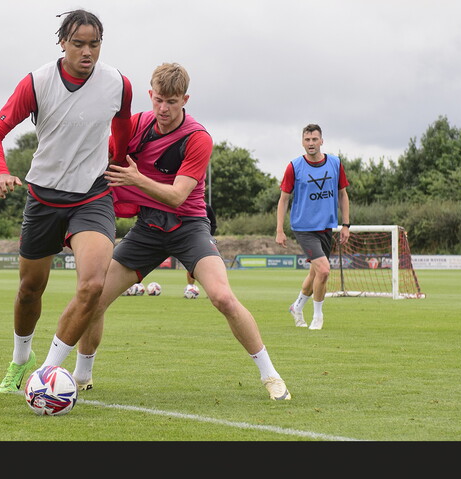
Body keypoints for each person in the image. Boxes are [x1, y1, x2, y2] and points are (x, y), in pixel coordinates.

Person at [40, 62, 291, 401]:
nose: (164, 108)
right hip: (148, 228)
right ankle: (81, 375)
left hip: (189, 227)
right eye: (158, 100)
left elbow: (176, 195)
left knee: (222, 297)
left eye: (172, 102)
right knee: (94, 298)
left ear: (185, 99)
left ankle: (270, 375)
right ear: (150, 95)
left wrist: (136, 179)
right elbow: (107, 158)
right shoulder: (140, 124)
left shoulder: (197, 138)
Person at [0, 9, 134, 393]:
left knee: (93, 285)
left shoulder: (118, 83)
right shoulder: (37, 82)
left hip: (93, 196)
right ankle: (21, 359)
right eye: (78, 44)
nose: (87, 52)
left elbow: (122, 126)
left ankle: (47, 374)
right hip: (43, 196)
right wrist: (0, 172)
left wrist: (116, 162)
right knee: (30, 290)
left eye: (94, 44)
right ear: (62, 43)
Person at [274, 123, 350, 331]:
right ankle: (318, 316)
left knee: (315, 273)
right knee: (324, 271)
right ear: (302, 142)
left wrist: (346, 224)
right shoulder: (294, 166)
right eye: (307, 140)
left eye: (314, 139)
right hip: (303, 227)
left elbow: (343, 194)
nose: (311, 143)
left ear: (321, 141)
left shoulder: (335, 163)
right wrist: (280, 229)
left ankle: (296, 307)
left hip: (326, 227)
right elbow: (283, 199)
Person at [183, 203, 216, 298]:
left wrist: (208, 237)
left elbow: (213, 224)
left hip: (205, 241)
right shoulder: (186, 205)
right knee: (190, 266)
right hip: (190, 240)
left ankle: (211, 291)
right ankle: (190, 289)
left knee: (208, 268)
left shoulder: (207, 207)